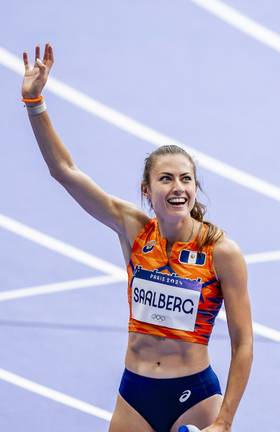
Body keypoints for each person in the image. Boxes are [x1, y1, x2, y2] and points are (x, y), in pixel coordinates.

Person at [22, 44, 253, 432]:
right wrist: (34, 102)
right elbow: (64, 170)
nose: (177, 187)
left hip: (195, 396)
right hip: (135, 393)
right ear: (147, 191)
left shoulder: (221, 252)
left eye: (186, 179)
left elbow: (243, 342)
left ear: (196, 188)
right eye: (166, 178)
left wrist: (225, 421)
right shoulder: (132, 229)